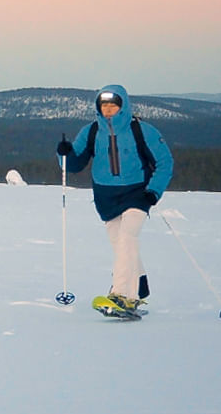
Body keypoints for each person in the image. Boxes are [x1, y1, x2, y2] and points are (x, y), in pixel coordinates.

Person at [57, 84, 174, 315]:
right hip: (106, 197)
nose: (108, 109)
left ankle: (120, 295)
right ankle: (138, 291)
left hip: (138, 193)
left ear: (123, 106)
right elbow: (73, 164)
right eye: (104, 105)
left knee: (127, 238)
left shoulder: (143, 130)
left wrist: (154, 191)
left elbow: (165, 162)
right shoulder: (91, 131)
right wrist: (64, 153)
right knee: (122, 245)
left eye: (113, 105)